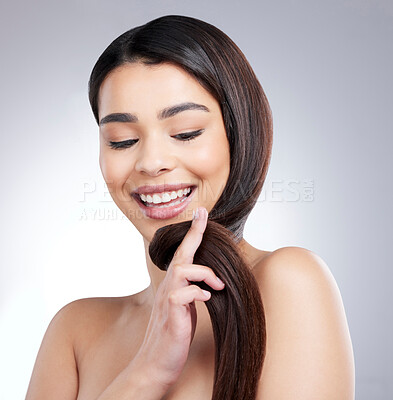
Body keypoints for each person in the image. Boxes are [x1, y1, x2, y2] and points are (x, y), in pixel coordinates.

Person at [26, 15, 355, 399]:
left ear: (239, 134)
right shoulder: (75, 331)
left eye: (186, 133)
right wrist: (147, 371)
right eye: (121, 140)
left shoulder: (289, 283)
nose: (151, 162)